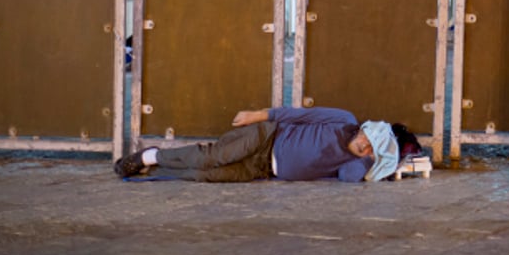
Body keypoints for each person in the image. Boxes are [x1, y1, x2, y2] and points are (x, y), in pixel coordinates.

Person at [113, 105, 399, 183]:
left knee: (206, 175)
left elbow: (350, 179)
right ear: (363, 129)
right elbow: (299, 115)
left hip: (263, 169)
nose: (365, 147)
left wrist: (370, 162)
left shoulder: (352, 164)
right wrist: (257, 115)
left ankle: (150, 170)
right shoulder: (343, 120)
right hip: (266, 137)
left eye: (372, 150)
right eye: (368, 140)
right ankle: (150, 156)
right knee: (210, 158)